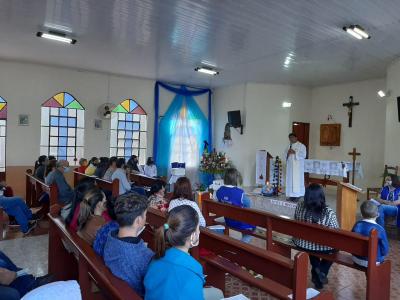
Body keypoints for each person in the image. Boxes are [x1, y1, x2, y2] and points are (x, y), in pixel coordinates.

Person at [144, 205, 223, 300]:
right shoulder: (193, 267)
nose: (199, 232)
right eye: (198, 229)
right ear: (193, 235)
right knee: (218, 293)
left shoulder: (157, 256)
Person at [103, 193, 154, 296]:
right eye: (145, 215)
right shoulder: (145, 256)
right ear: (138, 220)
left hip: (114, 291)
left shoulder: (110, 237)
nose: (145, 218)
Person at [293, 183, 339, 289]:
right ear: (321, 195)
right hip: (321, 246)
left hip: (301, 243)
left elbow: (295, 220)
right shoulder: (328, 212)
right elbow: (336, 233)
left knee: (310, 244)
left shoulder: (300, 206)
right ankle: (321, 271)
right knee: (336, 249)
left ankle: (316, 269)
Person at [216, 168, 255, 243]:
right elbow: (248, 204)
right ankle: (242, 245)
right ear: (236, 179)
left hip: (228, 220)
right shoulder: (239, 193)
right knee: (253, 227)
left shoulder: (219, 191)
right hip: (238, 222)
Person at [352, 201, 389, 267]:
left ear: (361, 214)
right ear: (378, 214)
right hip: (373, 261)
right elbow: (385, 250)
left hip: (356, 258)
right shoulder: (380, 229)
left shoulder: (357, 224)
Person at [284, 133, 307, 201]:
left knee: (297, 181)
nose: (291, 139)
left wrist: (295, 152)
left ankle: (297, 196)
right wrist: (288, 153)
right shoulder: (288, 146)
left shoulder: (301, 146)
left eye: (292, 137)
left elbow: (304, 155)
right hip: (290, 168)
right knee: (290, 181)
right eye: (290, 138)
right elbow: (285, 156)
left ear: (296, 138)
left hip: (297, 168)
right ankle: (291, 195)